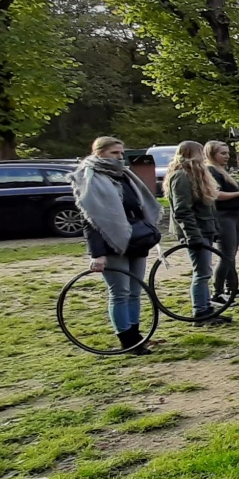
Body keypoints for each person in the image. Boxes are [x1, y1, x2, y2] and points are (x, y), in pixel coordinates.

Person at [72, 135, 162, 353]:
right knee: (119, 291)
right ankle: (127, 339)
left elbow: (138, 206)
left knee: (135, 290)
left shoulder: (124, 174)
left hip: (136, 237)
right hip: (110, 241)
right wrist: (97, 254)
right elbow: (91, 219)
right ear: (98, 152)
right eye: (114, 153)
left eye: (121, 153)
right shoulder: (89, 177)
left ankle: (137, 334)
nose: (119, 157)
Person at [165, 140, 229, 326]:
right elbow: (182, 210)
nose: (203, 156)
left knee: (204, 271)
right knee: (201, 272)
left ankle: (206, 309)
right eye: (200, 152)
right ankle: (200, 312)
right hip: (196, 232)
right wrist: (193, 236)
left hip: (204, 229)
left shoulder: (196, 175)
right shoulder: (182, 176)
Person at [205, 140, 239, 304]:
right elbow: (215, 195)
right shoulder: (211, 171)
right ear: (212, 154)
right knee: (226, 254)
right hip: (223, 215)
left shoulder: (221, 170)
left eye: (227, 153)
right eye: (222, 153)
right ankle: (217, 292)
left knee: (231, 254)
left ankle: (232, 287)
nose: (226, 157)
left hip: (234, 214)